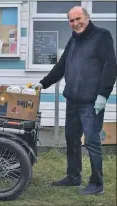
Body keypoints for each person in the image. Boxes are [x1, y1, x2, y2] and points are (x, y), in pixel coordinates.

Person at [33, 6, 116, 195]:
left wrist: (103, 95)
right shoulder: (74, 39)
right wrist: (42, 84)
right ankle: (73, 176)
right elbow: (62, 66)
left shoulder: (102, 36)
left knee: (92, 142)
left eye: (78, 19)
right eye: (71, 21)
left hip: (92, 102)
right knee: (71, 139)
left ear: (87, 17)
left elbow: (111, 66)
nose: (75, 23)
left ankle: (97, 184)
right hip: (72, 100)